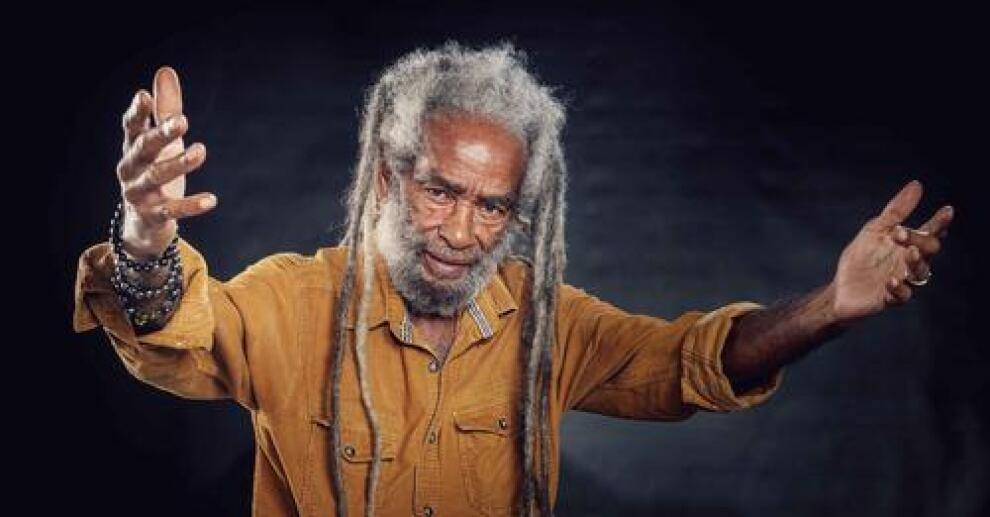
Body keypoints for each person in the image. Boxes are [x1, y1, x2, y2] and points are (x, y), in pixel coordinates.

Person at [72, 43, 953, 517]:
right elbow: (178, 337)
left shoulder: (546, 322)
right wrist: (144, 238)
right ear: (386, 180)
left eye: (492, 205)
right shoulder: (293, 303)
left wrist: (829, 307)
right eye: (440, 191)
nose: (462, 232)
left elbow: (689, 362)